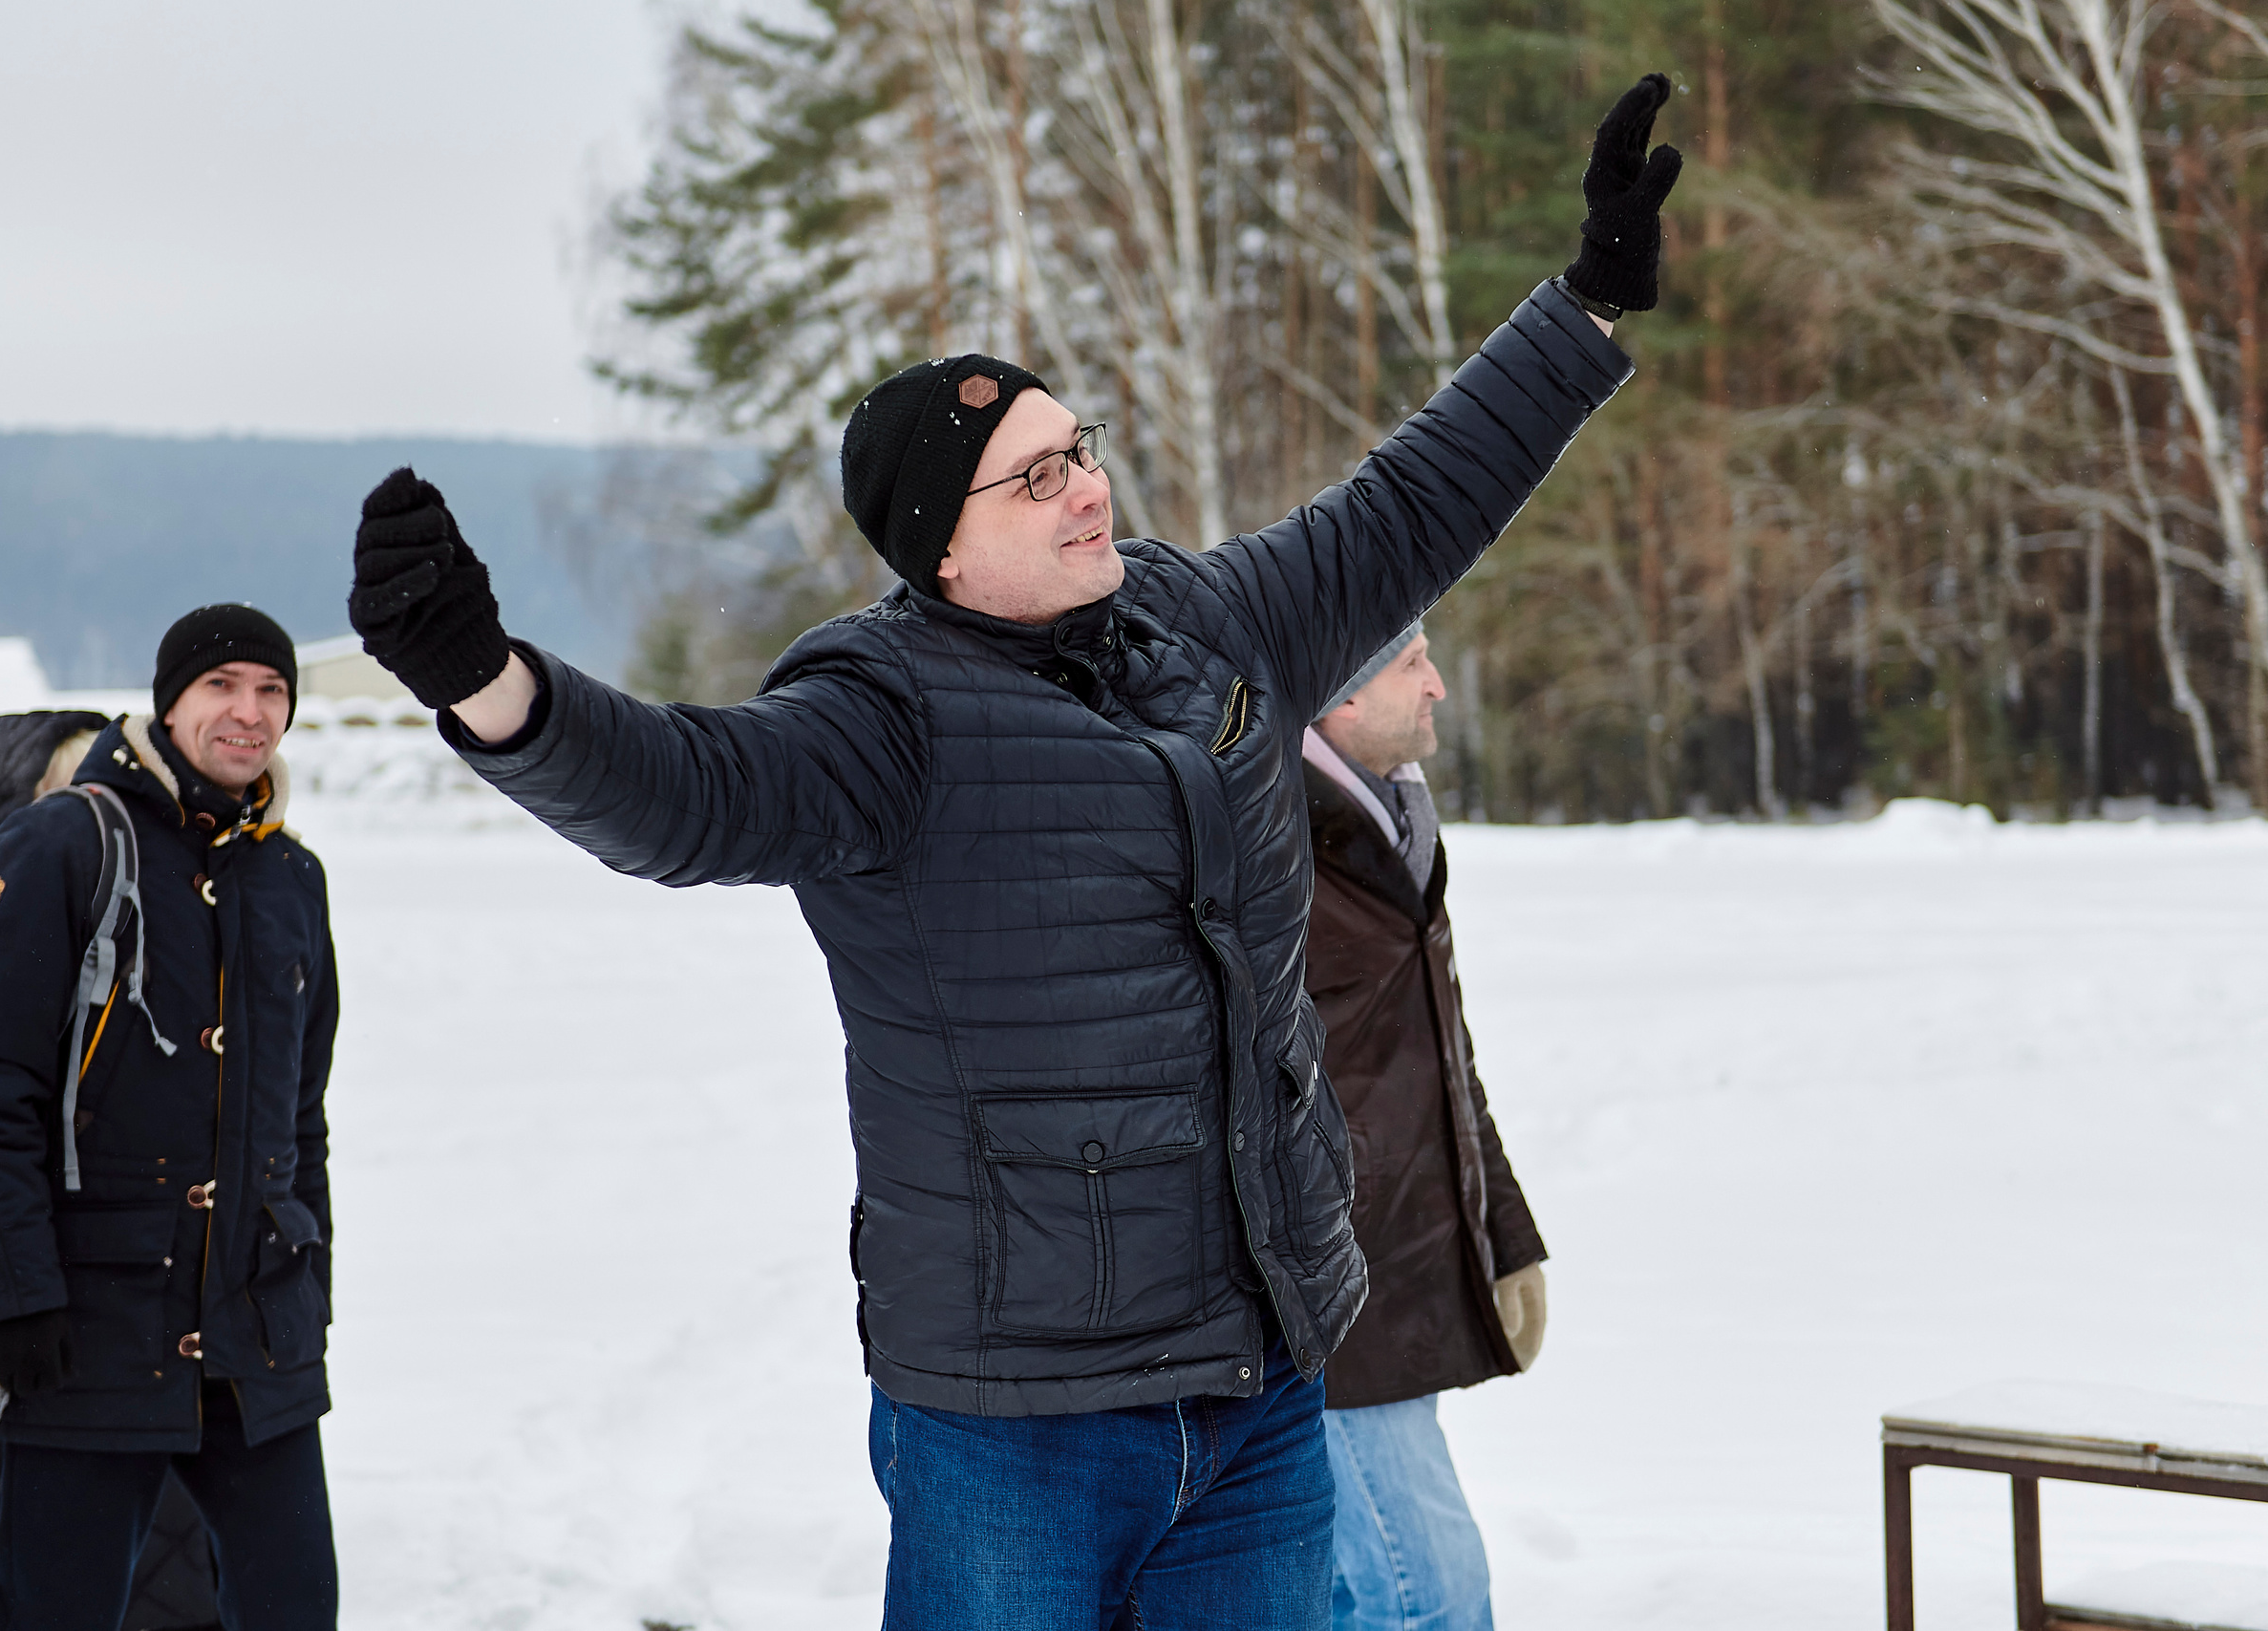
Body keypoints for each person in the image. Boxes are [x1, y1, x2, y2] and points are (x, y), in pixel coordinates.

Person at [349, 75, 1676, 1630]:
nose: (1088, 484)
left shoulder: (1204, 615)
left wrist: (1581, 310)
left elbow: (1409, 507)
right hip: (1015, 1415)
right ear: (943, 544)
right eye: (1036, 474)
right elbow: (677, 792)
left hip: (1258, 1369)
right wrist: (485, 683)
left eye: (1081, 445)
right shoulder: (881, 711)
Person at [0, 606, 339, 1631]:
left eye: (272, 691)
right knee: (53, 1612)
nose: (249, 714)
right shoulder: (65, 839)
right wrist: (18, 1296)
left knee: (296, 1609)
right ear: (168, 700)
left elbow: (302, 1116)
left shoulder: (290, 877)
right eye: (222, 686)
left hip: (257, 1339)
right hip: (85, 1334)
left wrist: (309, 1287)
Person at [1301, 629, 1548, 1631]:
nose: (1440, 683)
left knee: (1368, 1592)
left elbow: (1440, 1058)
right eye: (1412, 662)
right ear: (1341, 696)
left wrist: (1506, 1234)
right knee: (1425, 1597)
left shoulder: (1391, 818)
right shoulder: (1270, 839)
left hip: (1399, 1270)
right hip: (1326, 1299)